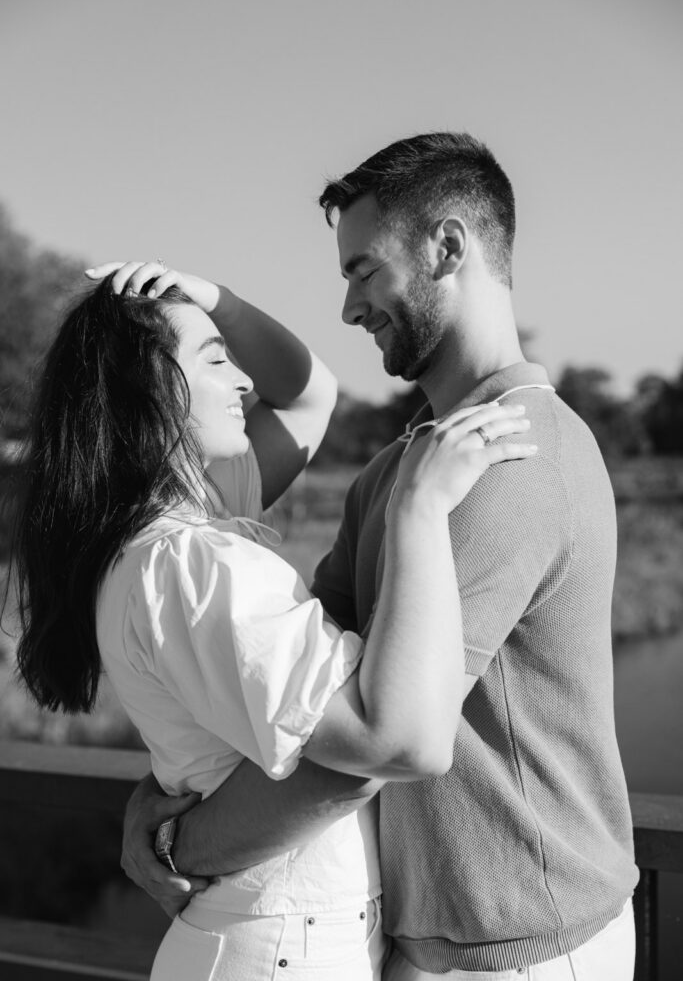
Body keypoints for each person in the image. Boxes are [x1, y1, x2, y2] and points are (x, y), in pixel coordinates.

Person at [119, 133, 640, 981]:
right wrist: (165, 786)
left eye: (363, 271)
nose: (349, 309)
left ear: (446, 248)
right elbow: (303, 695)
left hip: (520, 947)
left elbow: (378, 747)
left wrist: (177, 843)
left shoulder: (510, 457)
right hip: (436, 939)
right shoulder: (402, 469)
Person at [10, 256, 534, 980]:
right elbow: (393, 745)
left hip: (272, 932)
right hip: (282, 943)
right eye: (215, 359)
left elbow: (308, 395)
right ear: (150, 388)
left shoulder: (157, 532)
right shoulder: (197, 563)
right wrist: (418, 507)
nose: (244, 381)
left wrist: (212, 300)